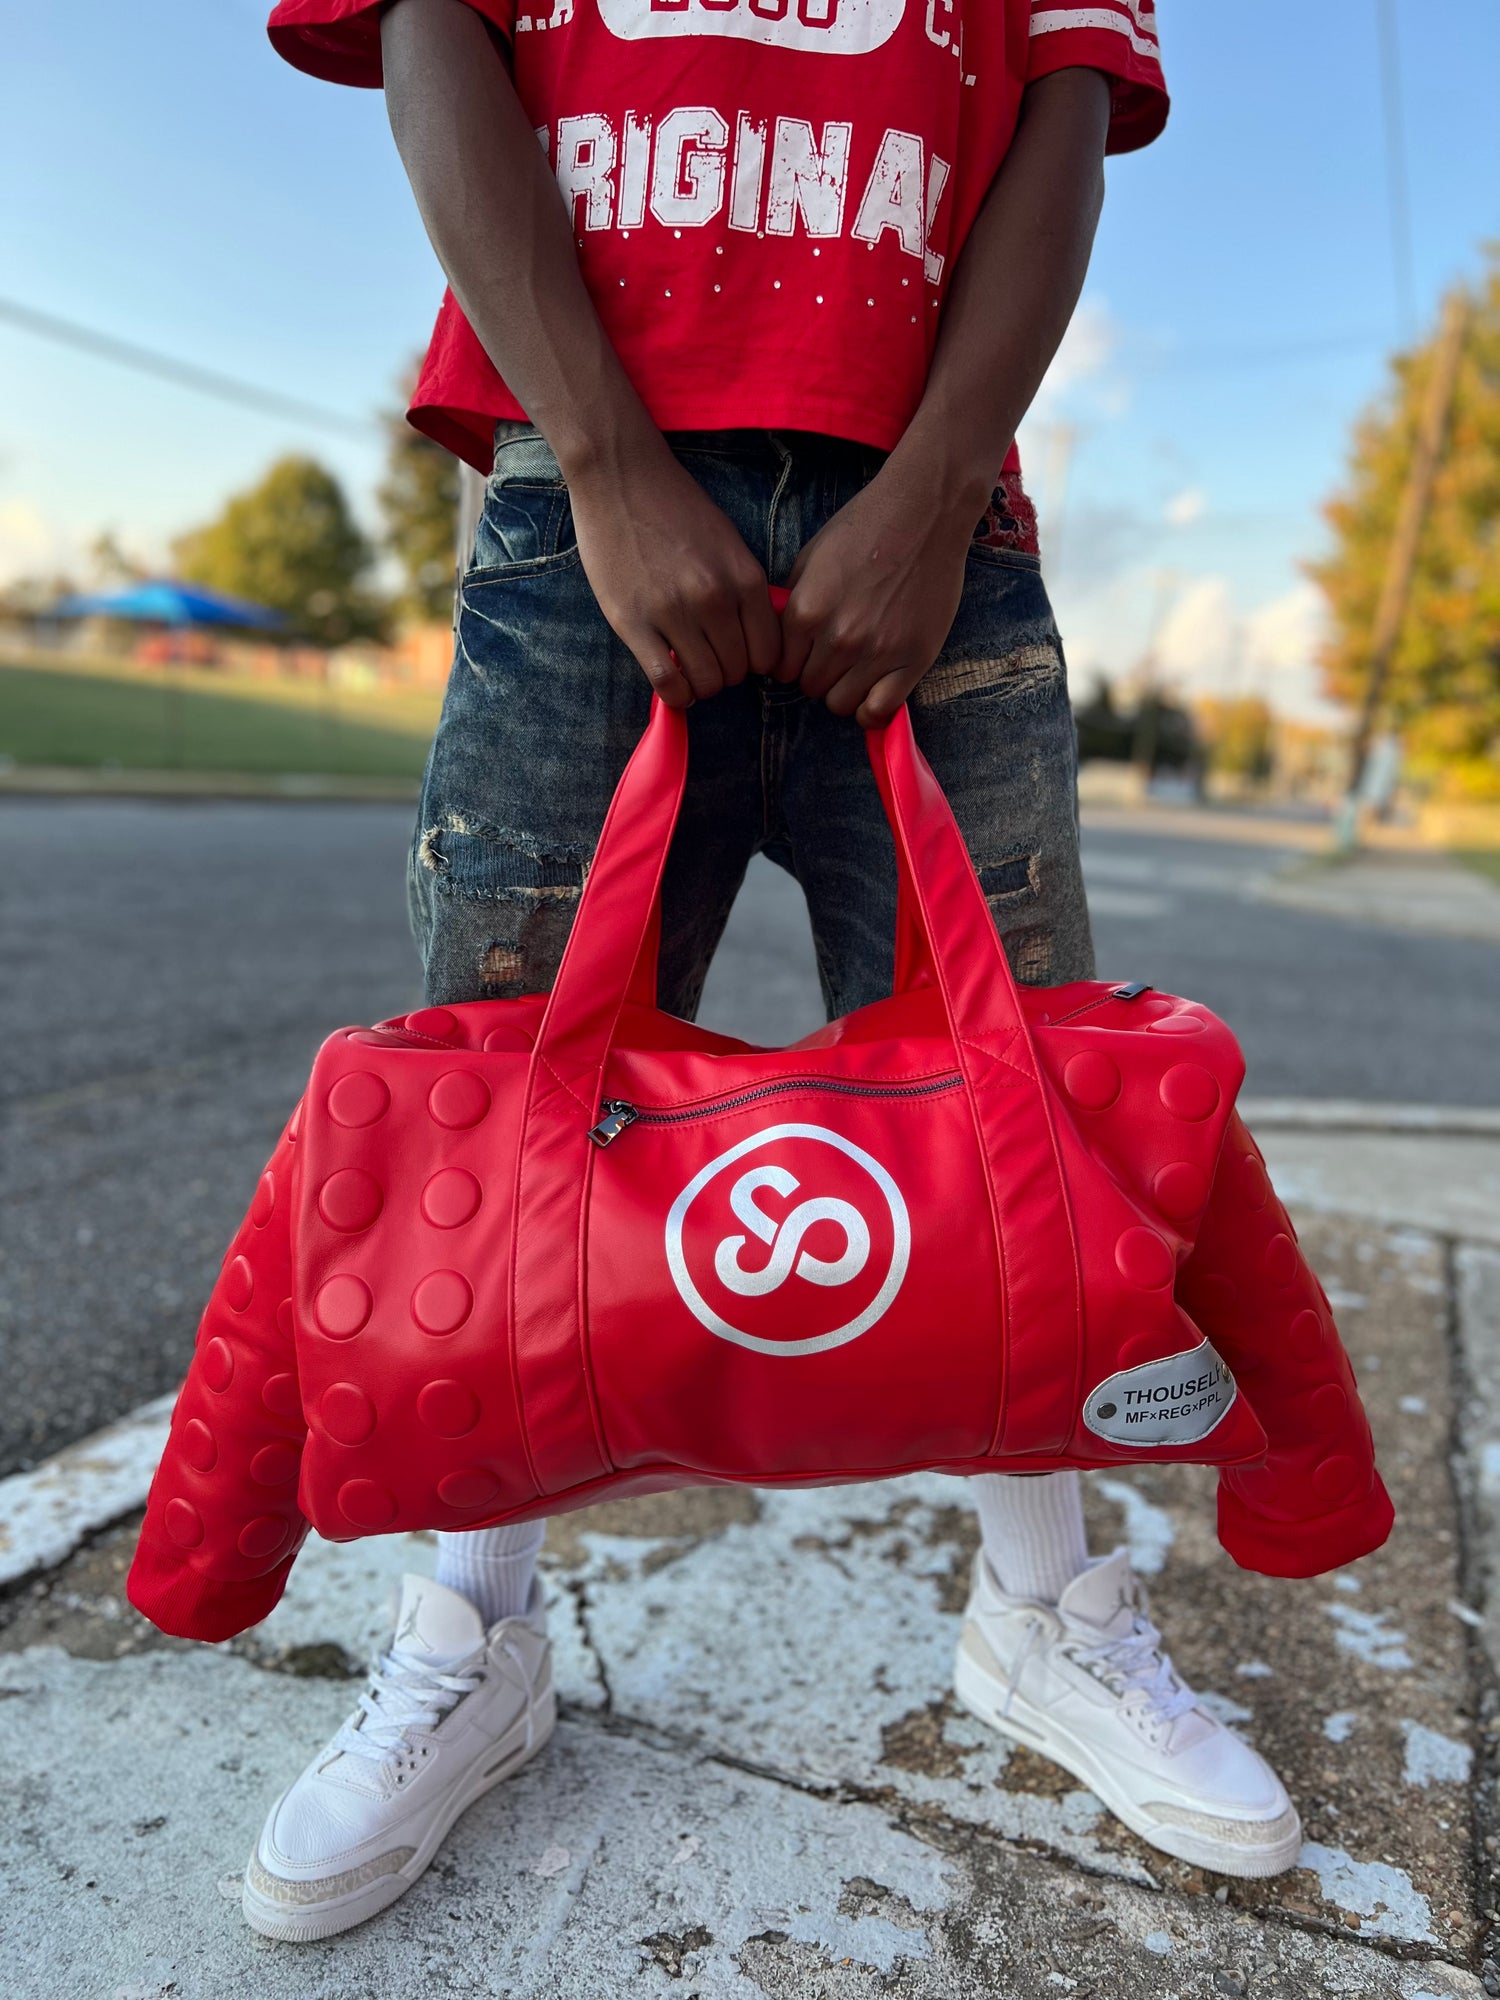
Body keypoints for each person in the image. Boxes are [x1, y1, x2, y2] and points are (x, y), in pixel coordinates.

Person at [243, 0, 1301, 1943]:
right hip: (588, 477)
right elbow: (428, 29)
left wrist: (936, 485)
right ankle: (473, 1633)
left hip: (929, 505)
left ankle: (1041, 1611)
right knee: (504, 1082)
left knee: (1020, 1078)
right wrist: (603, 456)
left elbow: (1064, 102)